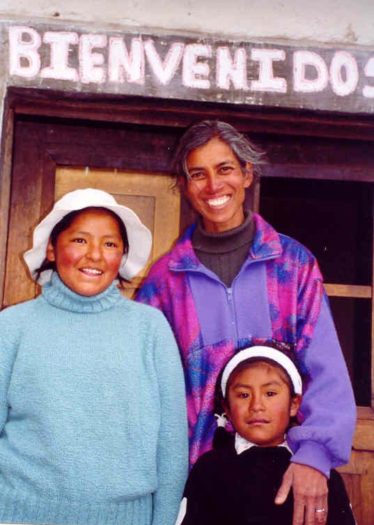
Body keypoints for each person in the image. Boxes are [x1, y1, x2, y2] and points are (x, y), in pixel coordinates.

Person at [136, 120, 356, 525]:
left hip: (290, 473)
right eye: (197, 174)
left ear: (247, 174)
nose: (213, 185)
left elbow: (325, 368)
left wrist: (315, 455)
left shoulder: (293, 265)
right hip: (197, 481)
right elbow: (143, 388)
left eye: (225, 169)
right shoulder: (164, 281)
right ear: (184, 185)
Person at [0, 188, 188, 525]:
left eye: (110, 244)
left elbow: (171, 444)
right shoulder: (11, 327)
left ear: (123, 256)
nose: (95, 256)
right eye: (80, 240)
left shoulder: (150, 329)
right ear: (53, 250)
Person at [175, 345, 355, 525]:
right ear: (227, 409)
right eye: (244, 395)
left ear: (293, 404)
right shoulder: (209, 469)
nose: (256, 405)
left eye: (270, 393)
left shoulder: (315, 475)